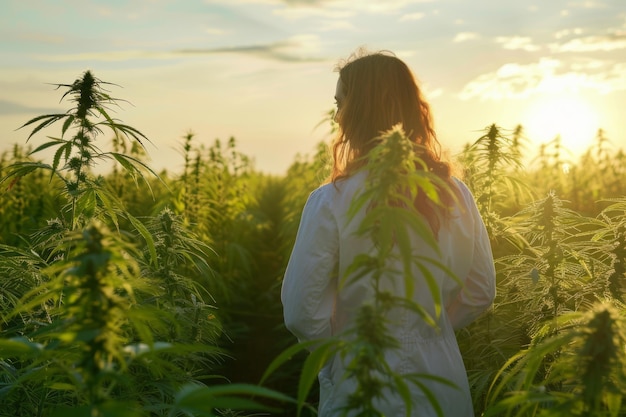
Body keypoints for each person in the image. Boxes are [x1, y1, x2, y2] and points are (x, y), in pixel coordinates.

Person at [281, 49, 496, 417]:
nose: (337, 116)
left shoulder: (332, 200)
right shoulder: (456, 194)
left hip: (363, 382)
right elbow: (480, 291)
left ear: (362, 109)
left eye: (341, 103)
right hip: (441, 386)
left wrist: (344, 352)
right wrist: (430, 331)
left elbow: (302, 312)